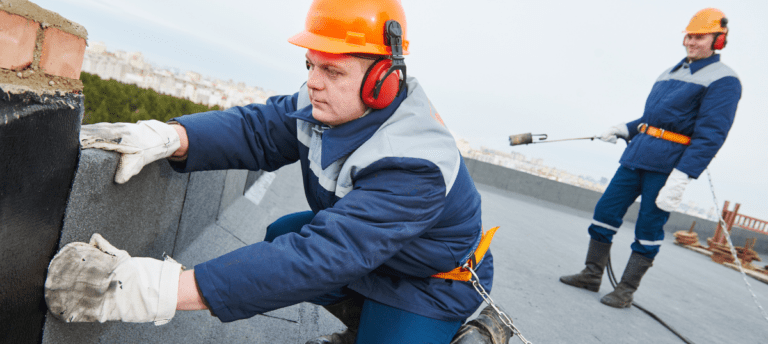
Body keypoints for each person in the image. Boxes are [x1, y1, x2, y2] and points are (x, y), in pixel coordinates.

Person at [44, 1, 515, 343]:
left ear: (381, 80)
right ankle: (368, 321)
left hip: (430, 282)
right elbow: (259, 130)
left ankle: (464, 334)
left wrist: (156, 291)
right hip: (377, 254)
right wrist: (170, 136)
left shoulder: (415, 164)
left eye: (332, 71)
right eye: (311, 64)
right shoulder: (330, 103)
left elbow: (323, 257)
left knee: (308, 259)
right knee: (284, 233)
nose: (313, 81)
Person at [559, 8, 741, 308]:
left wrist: (683, 176)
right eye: (689, 36)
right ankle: (592, 275)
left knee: (649, 227)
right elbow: (654, 119)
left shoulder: (724, 80)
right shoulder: (671, 72)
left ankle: (626, 290)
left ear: (718, 40)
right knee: (605, 211)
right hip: (637, 155)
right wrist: (624, 129)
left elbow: (711, 135)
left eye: (700, 37)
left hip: (668, 166)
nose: (692, 42)